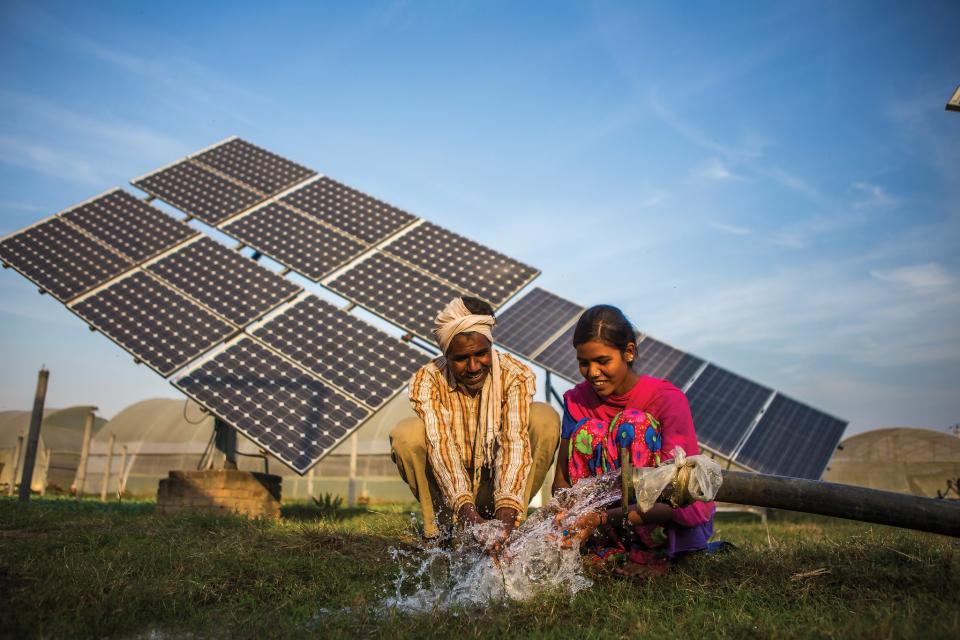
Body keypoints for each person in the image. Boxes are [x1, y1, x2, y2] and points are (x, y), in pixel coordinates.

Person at [552, 304, 715, 566]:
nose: (593, 372)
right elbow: (562, 480)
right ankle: (603, 547)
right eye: (584, 363)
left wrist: (603, 517)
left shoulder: (666, 400)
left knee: (633, 424)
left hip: (663, 521)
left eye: (603, 361)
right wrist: (567, 514)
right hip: (599, 525)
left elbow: (675, 496)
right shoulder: (576, 401)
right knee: (589, 431)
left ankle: (653, 554)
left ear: (628, 352)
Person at [390, 296, 560, 545]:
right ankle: (440, 534)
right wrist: (467, 515)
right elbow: (441, 448)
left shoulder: (515, 375)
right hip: (448, 489)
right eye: (461, 358)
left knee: (544, 418)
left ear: (490, 345)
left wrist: (505, 517)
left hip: (497, 481)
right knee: (407, 434)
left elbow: (514, 445)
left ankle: (510, 530)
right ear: (446, 354)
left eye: (481, 354)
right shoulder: (428, 379)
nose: (473, 366)